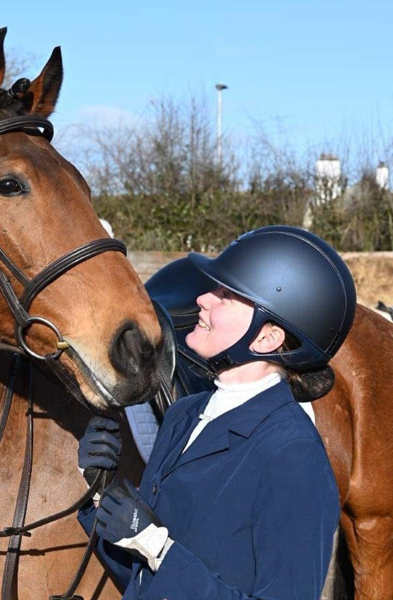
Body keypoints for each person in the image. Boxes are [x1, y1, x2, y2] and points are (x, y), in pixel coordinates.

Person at [78, 225, 356, 600]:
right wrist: (101, 492)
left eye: (226, 294)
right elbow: (142, 581)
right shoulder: (183, 415)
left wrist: (161, 549)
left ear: (266, 337)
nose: (203, 298)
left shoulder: (293, 457)